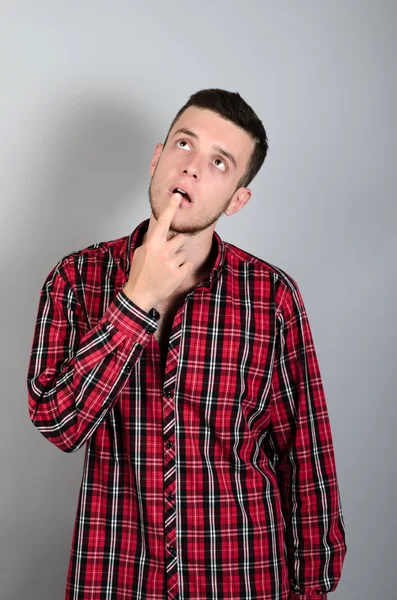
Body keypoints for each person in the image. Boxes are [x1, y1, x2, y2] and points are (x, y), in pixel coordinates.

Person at [27, 88, 347, 600]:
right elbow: (59, 423)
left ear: (237, 198)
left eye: (220, 162)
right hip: (117, 574)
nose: (193, 169)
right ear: (157, 158)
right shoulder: (75, 279)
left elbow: (305, 458)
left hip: (245, 576)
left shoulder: (272, 297)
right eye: (183, 145)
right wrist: (137, 300)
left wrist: (314, 584)